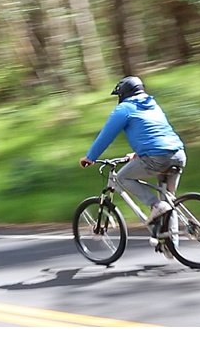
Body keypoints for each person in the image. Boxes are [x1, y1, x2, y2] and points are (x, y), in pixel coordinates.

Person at [79, 76, 186, 226]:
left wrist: (90, 157)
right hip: (178, 154)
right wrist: (138, 154)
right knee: (168, 201)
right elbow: (157, 133)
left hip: (157, 157)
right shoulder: (153, 105)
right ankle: (170, 244)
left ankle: (154, 205)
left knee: (122, 178)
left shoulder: (124, 109)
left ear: (124, 93)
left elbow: (106, 135)